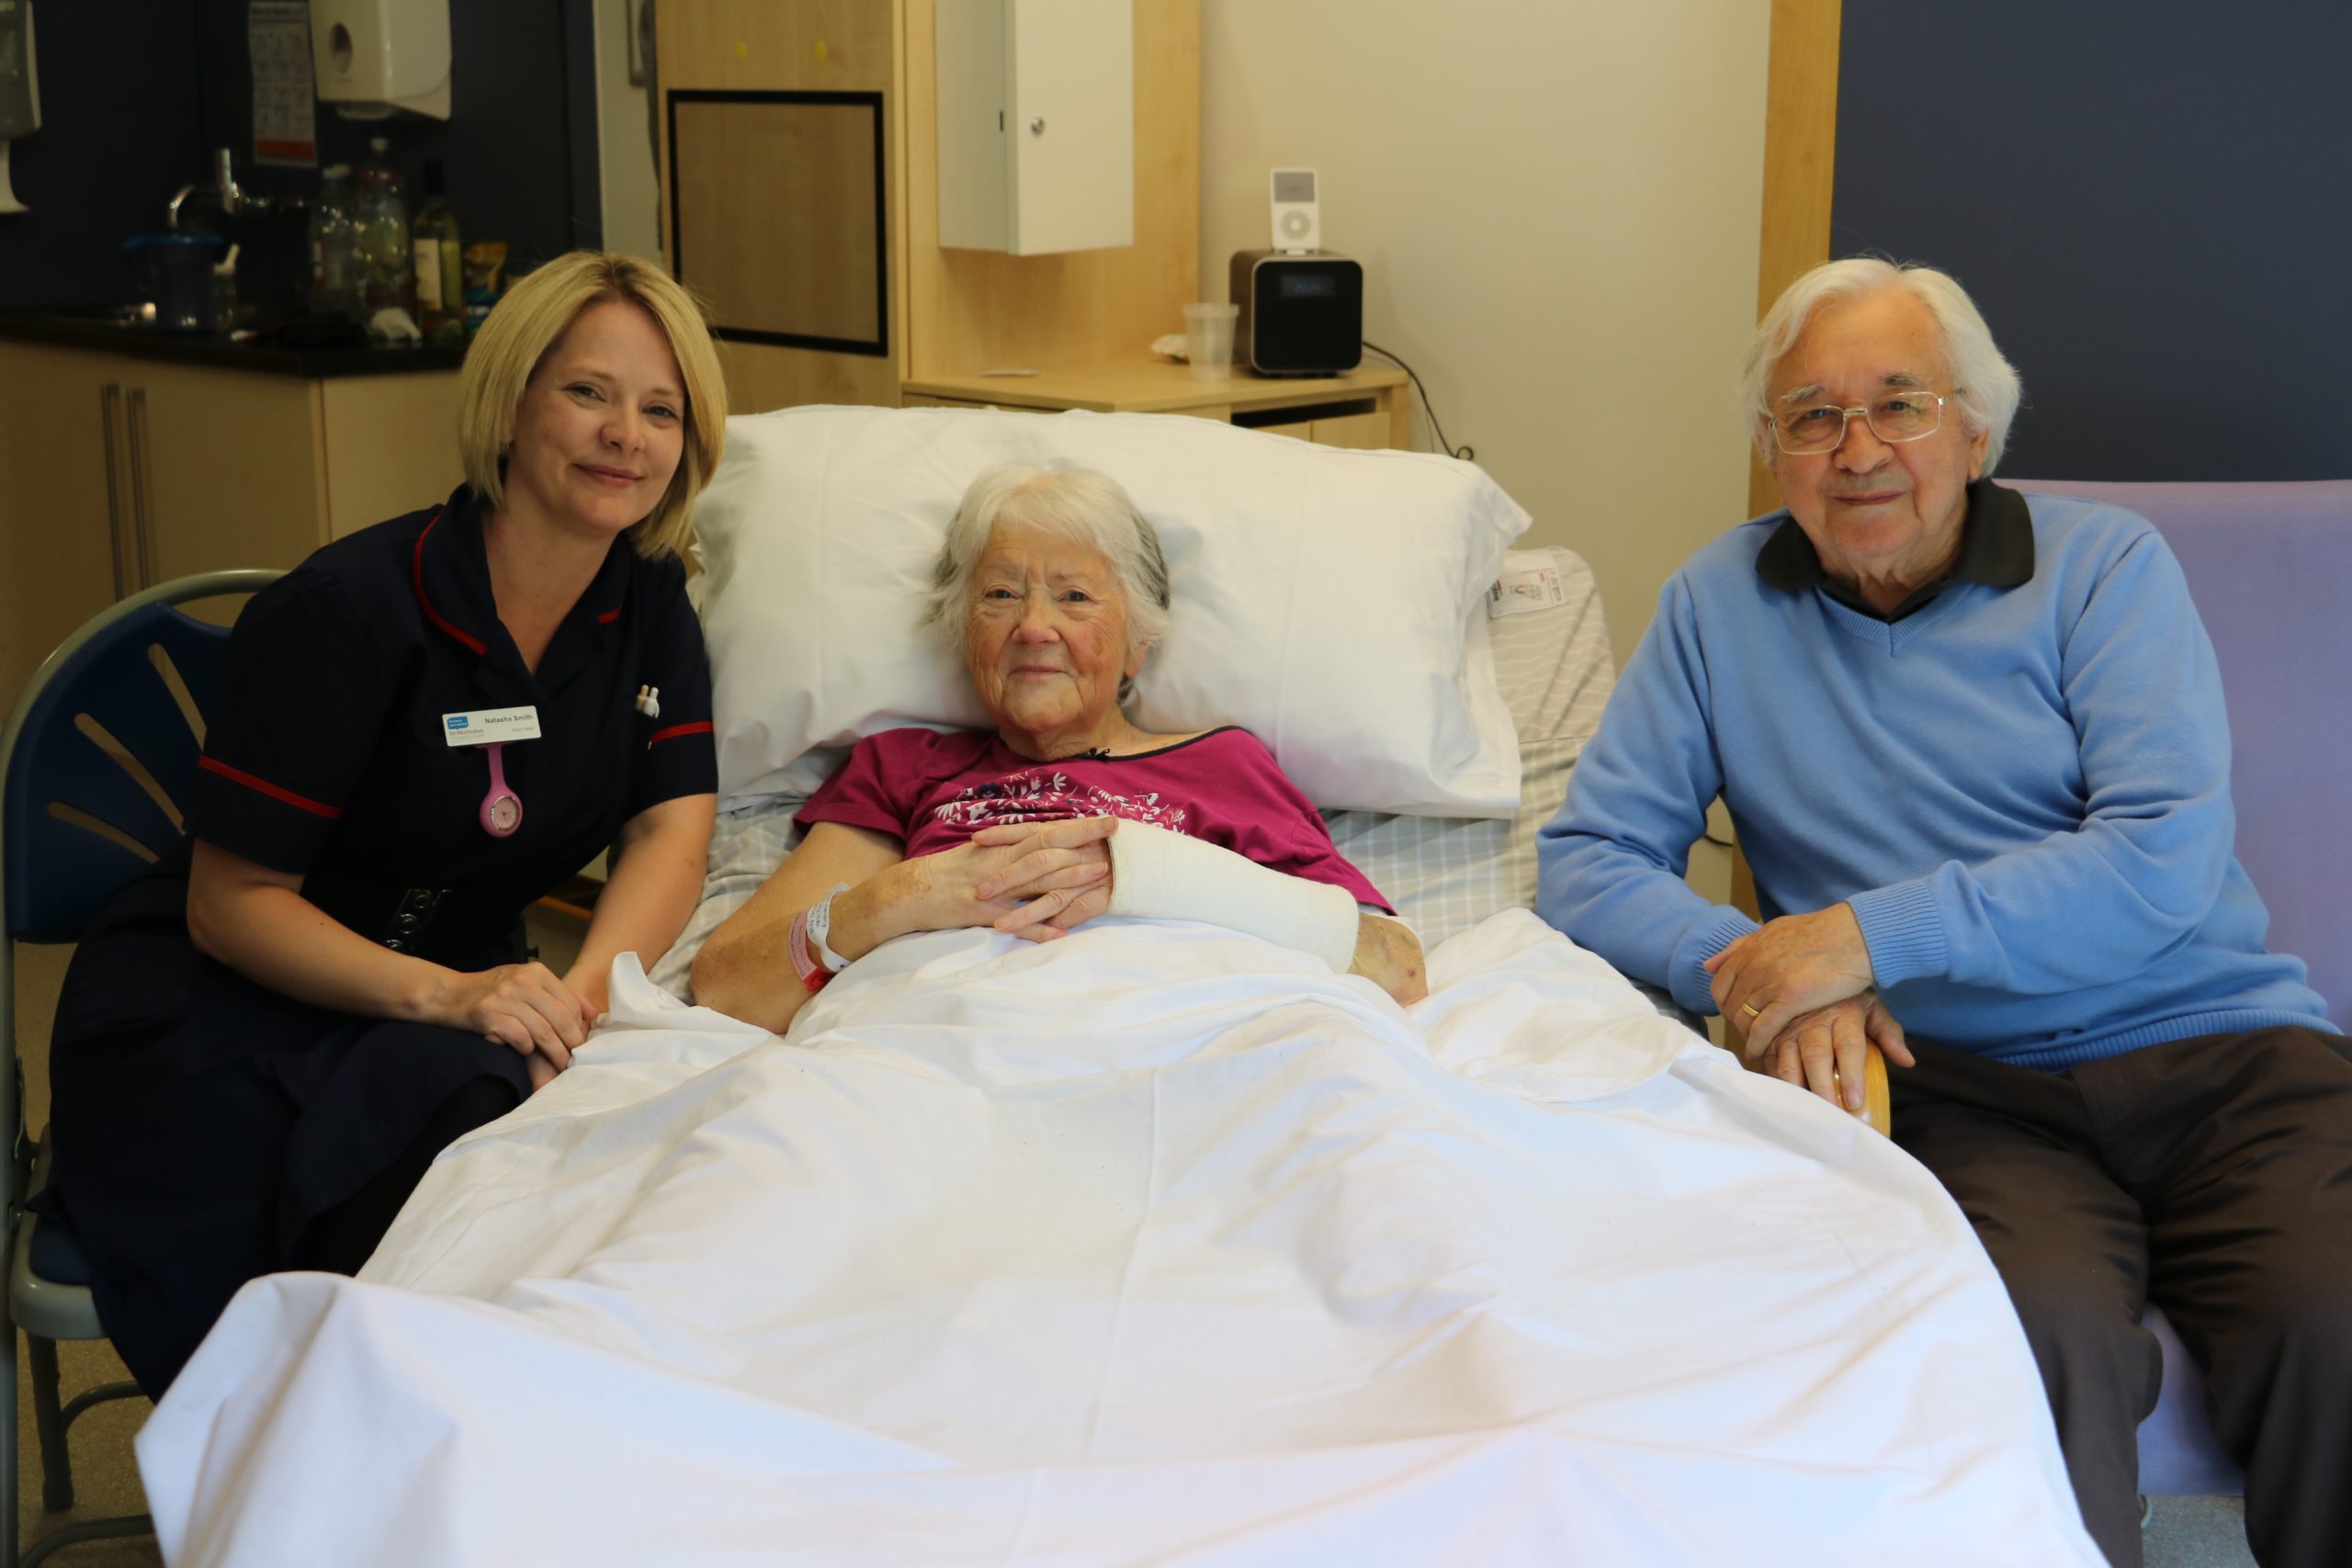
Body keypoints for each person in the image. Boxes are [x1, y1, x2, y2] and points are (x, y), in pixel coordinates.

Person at [1536, 256, 2349, 1568]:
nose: (1856, 450)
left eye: (1899, 406)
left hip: (2221, 1055)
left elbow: (2161, 859)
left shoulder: (2105, 568)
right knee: (2022, 1342)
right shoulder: (1715, 602)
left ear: (1976, 428)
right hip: (1953, 1085)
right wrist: (1767, 968)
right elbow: (1584, 858)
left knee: (2339, 1320)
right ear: (1771, 449)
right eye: (1812, 415)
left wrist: (1861, 936)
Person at [40, 251, 726, 1395]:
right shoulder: (352, 609)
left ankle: (456, 1440)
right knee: (462, 1120)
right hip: (228, 1003)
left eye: (661, 410)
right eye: (588, 392)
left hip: (456, 991)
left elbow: (670, 831)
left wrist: (588, 1000)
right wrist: (455, 997)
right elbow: (231, 903)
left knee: (611, 1122)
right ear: (510, 404)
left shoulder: (647, 602)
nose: (625, 435)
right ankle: (338, 1454)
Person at [692, 462, 1426, 1033]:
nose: (1035, 627)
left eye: (1075, 597)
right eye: (1001, 595)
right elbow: (729, 986)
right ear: (962, 629)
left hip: (1176, 1051)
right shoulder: (905, 765)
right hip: (933, 1054)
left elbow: (1395, 966)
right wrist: (901, 896)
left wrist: (1145, 875)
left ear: (1138, 642)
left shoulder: (1222, 763)